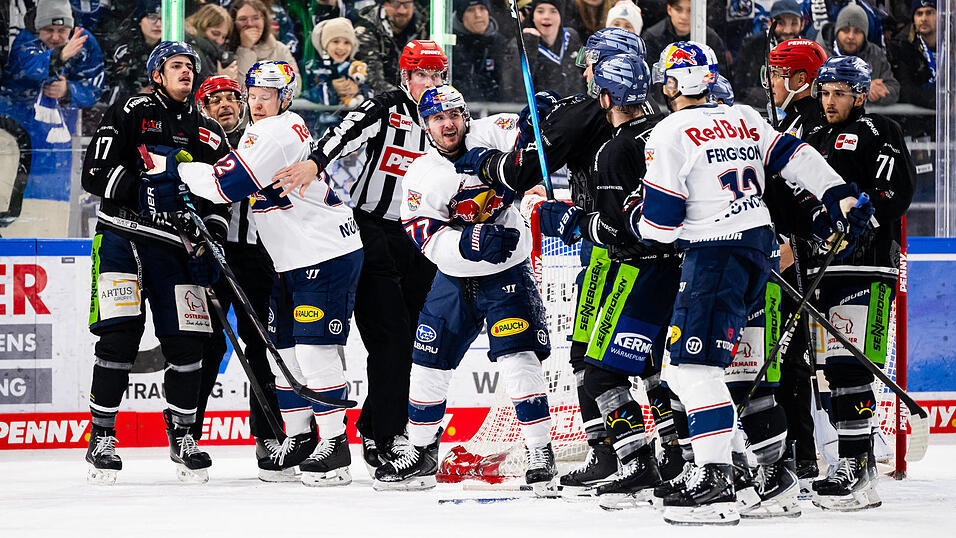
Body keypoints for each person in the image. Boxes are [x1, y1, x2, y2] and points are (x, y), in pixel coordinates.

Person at [635, 40, 865, 525]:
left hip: (714, 253)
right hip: (757, 250)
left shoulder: (671, 130)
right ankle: (762, 473)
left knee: (693, 369)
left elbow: (659, 225)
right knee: (702, 370)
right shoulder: (742, 116)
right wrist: (839, 194)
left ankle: (717, 479)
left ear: (676, 82)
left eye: (668, 77)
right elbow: (795, 154)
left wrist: (625, 220)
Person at [453, 27, 683, 490]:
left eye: (591, 63)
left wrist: (478, 159)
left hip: (609, 248)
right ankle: (673, 449)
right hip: (658, 251)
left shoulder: (589, 117)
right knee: (650, 359)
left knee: (591, 358)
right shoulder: (657, 117)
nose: (583, 70)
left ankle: (616, 453)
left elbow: (520, 173)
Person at [178, 61, 364, 487]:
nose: (258, 102)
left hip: (324, 253)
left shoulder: (273, 131)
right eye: (254, 94)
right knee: (282, 350)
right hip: (292, 258)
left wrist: (179, 166)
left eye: (267, 95)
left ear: (284, 98)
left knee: (315, 351)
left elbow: (222, 188)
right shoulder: (275, 128)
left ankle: (335, 446)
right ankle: (298, 439)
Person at [270, 40, 446, 475]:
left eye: (437, 75)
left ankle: (385, 426)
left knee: (419, 342)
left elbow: (475, 157)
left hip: (424, 236)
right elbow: (340, 133)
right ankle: (381, 434)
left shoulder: (448, 115)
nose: (430, 84)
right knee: (390, 338)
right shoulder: (384, 108)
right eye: (421, 75)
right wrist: (314, 163)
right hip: (374, 231)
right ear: (405, 77)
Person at [374, 84, 556, 491]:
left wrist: (537, 123)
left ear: (465, 115)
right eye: (438, 119)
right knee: (426, 363)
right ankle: (421, 452)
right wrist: (472, 243)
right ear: (426, 127)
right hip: (453, 278)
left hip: (508, 273)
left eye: (454, 114)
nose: (448, 124)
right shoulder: (421, 174)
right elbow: (427, 239)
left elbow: (531, 142)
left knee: (518, 359)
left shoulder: (491, 133)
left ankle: (540, 452)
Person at [81, 41, 230, 485]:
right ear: (157, 75)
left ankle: (184, 435)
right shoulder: (131, 109)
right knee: (118, 338)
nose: (185, 72)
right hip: (121, 238)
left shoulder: (209, 132)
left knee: (189, 345)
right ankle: (102, 436)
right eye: (176, 66)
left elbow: (221, 196)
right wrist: (140, 191)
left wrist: (213, 236)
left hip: (173, 249)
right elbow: (94, 172)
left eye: (190, 67)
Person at [541, 52, 682, 503]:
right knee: (658, 370)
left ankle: (637, 464)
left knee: (600, 373)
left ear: (606, 95)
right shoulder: (667, 131)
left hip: (634, 271)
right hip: (679, 269)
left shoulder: (615, 149)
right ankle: (677, 458)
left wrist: (566, 221)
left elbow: (615, 227)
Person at [803, 55, 914, 511]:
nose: (829, 101)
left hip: (867, 267)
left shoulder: (879, 132)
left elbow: (895, 192)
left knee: (853, 366)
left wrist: (862, 225)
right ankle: (849, 460)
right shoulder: (809, 137)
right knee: (833, 369)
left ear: (860, 94)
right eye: (824, 93)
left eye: (839, 93)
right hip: (820, 267)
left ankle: (860, 466)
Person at [190, 75, 290, 481]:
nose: (226, 105)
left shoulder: (262, 140)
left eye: (233, 97)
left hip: (257, 257)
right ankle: (188, 433)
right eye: (214, 100)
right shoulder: (196, 144)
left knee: (262, 346)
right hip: (207, 254)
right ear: (203, 109)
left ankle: (269, 435)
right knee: (205, 348)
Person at [763, 37, 831, 486]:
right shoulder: (789, 121)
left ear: (800, 79)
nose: (770, 81)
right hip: (787, 250)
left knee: (789, 357)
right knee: (786, 357)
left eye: (776, 73)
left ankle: (800, 453)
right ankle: (798, 452)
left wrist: (789, 248)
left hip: (799, 256)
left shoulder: (809, 127)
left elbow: (806, 196)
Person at [816, 3, 898, 105]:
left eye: (857, 31)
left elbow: (894, 89)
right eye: (846, 30)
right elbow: (815, 91)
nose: (851, 36)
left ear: (865, 35)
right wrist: (863, 90)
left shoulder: (875, 53)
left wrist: (877, 93)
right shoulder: (819, 55)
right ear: (837, 31)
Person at [733, 0, 807, 107]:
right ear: (769, 23)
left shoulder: (808, 49)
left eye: (794, 23)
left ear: (802, 24)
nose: (787, 30)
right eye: (780, 23)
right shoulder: (753, 45)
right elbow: (742, 88)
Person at [353, 0, 430, 93]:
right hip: (382, 100)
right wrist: (407, 98)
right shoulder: (366, 28)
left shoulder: (427, 25)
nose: (402, 11)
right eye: (396, 4)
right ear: (384, 4)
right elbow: (374, 80)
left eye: (407, 5)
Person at [452, 0, 519, 103]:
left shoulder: (502, 45)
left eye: (482, 8)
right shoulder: (450, 46)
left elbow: (510, 86)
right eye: (470, 10)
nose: (478, 15)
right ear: (461, 16)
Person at [641, 0, 730, 77]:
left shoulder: (711, 39)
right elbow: (651, 83)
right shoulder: (652, 37)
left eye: (690, 10)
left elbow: (720, 79)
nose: (684, 16)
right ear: (669, 9)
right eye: (678, 9)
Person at [228, 0, 300, 93]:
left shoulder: (280, 49)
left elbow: (296, 88)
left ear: (264, 20)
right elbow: (238, 90)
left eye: (256, 18)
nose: (250, 24)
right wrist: (245, 49)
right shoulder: (226, 50)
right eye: (242, 19)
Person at [521, 0, 587, 97]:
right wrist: (529, 46)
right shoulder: (523, 44)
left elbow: (587, 71)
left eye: (553, 11)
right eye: (540, 11)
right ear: (532, 16)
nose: (546, 16)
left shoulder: (572, 36)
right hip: (544, 110)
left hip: (576, 108)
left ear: (561, 15)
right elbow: (515, 88)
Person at [302, 17, 371, 107]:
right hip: (318, 119)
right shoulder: (312, 66)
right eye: (335, 41)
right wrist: (332, 88)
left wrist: (358, 90)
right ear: (324, 43)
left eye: (347, 43)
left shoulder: (355, 67)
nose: (341, 47)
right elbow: (303, 93)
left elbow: (372, 92)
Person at [887, 0, 936, 109]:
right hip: (917, 120)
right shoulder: (902, 47)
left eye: (929, 13)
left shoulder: (951, 48)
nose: (923, 19)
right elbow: (906, 90)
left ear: (941, 16)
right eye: (919, 13)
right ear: (913, 18)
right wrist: (943, 101)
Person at [185, 3, 239, 86]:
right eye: (215, 33)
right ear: (200, 26)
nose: (220, 41)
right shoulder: (192, 50)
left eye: (223, 37)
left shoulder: (211, 55)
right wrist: (221, 80)